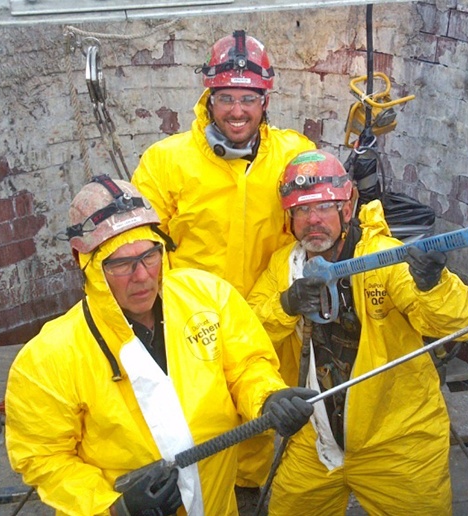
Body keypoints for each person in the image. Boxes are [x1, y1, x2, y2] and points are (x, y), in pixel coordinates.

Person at [4, 176, 317, 516]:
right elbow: (42, 456)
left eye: (149, 256)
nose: (141, 276)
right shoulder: (48, 358)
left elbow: (245, 366)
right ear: (88, 265)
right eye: (121, 264)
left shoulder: (207, 297)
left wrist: (269, 397)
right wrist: (112, 507)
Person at [247, 149, 468, 515]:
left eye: (324, 207)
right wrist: (287, 303)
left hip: (398, 441)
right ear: (289, 218)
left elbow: (460, 325)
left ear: (347, 208)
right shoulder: (285, 265)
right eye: (302, 210)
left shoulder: (385, 259)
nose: (313, 221)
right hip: (316, 440)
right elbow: (248, 331)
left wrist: (433, 285)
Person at [131, 28, 316, 490]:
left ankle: (248, 494)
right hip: (192, 326)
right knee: (200, 423)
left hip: (271, 319)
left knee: (260, 419)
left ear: (265, 102)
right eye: (227, 98)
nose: (237, 111)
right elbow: (139, 244)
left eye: (249, 99)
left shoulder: (292, 156)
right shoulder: (166, 162)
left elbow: (328, 212)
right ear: (208, 98)